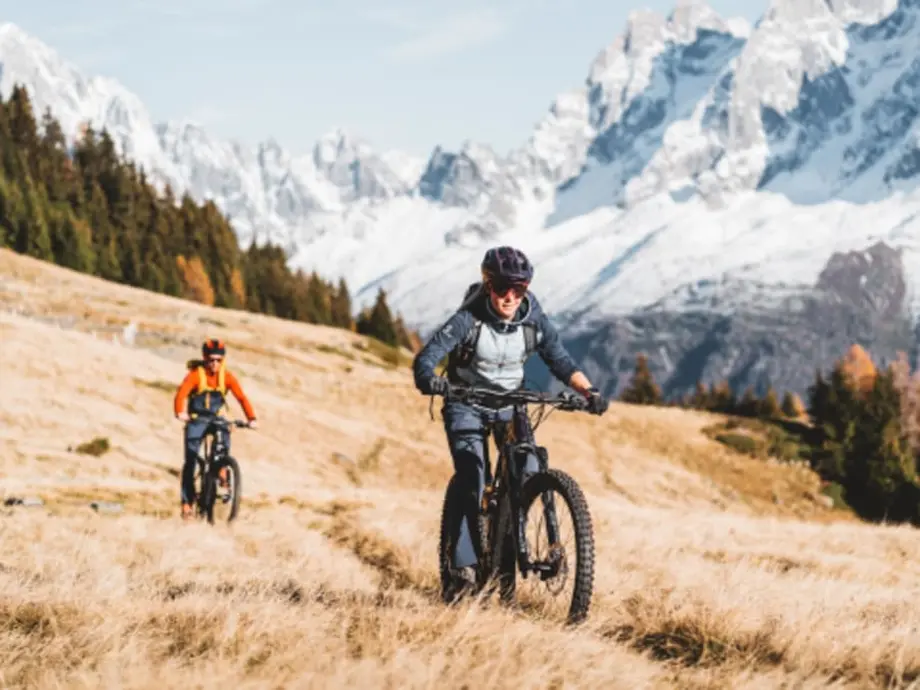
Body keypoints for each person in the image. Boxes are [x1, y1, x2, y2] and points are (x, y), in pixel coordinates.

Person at [412, 245, 608, 591]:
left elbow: (560, 360)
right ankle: (463, 568)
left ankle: (507, 554)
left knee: (529, 468)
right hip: (466, 402)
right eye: (502, 287)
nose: (510, 297)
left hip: (511, 403)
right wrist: (431, 379)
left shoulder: (533, 319)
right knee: (473, 476)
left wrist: (589, 391)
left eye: (519, 289)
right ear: (489, 285)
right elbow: (427, 358)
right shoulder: (468, 319)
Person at [173, 338, 258, 519]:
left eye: (219, 360)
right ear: (205, 358)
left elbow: (241, 398)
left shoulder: (227, 377)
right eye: (211, 360)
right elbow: (181, 394)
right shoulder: (195, 375)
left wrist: (252, 419)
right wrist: (180, 412)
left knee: (224, 435)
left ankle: (222, 469)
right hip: (196, 419)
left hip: (216, 418)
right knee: (191, 460)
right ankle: (187, 503)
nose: (215, 364)